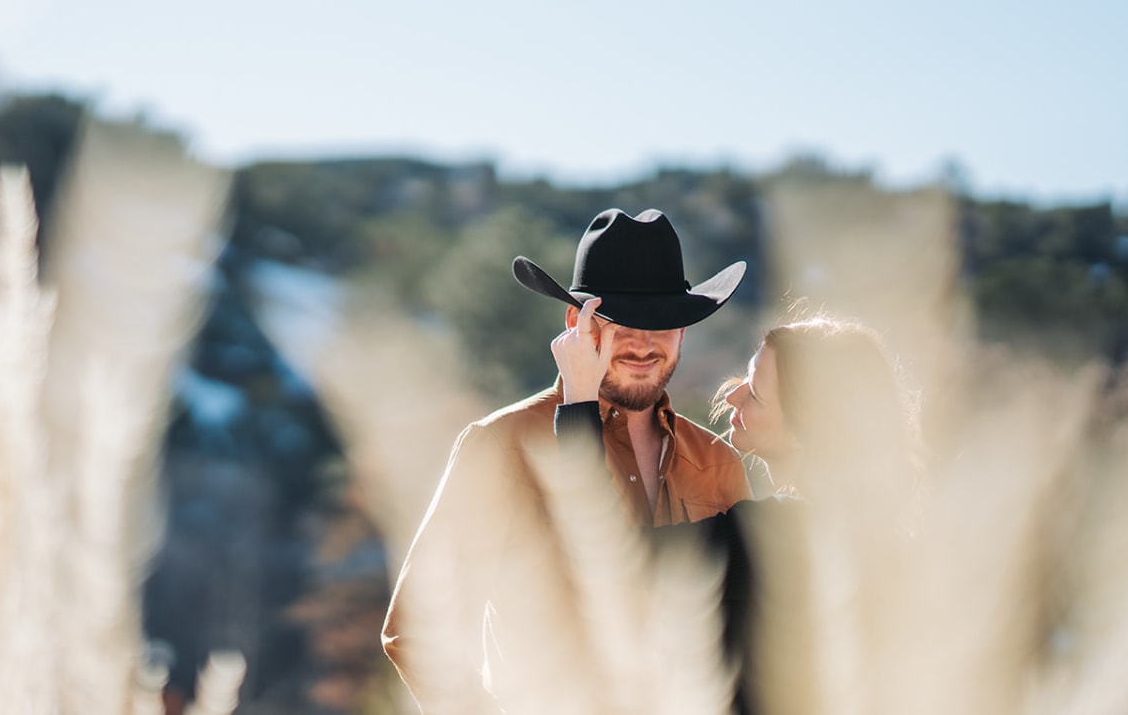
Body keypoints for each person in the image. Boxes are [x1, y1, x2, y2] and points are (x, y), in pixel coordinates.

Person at [382, 208, 754, 713]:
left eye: (665, 324)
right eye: (622, 322)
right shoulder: (501, 446)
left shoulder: (718, 462)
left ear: (684, 331)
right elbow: (419, 631)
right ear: (576, 324)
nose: (645, 345)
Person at [553, 309, 916, 715]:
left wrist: (580, 396)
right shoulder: (889, 541)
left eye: (756, 394)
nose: (732, 396)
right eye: (746, 376)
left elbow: (605, 550)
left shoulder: (772, 535)